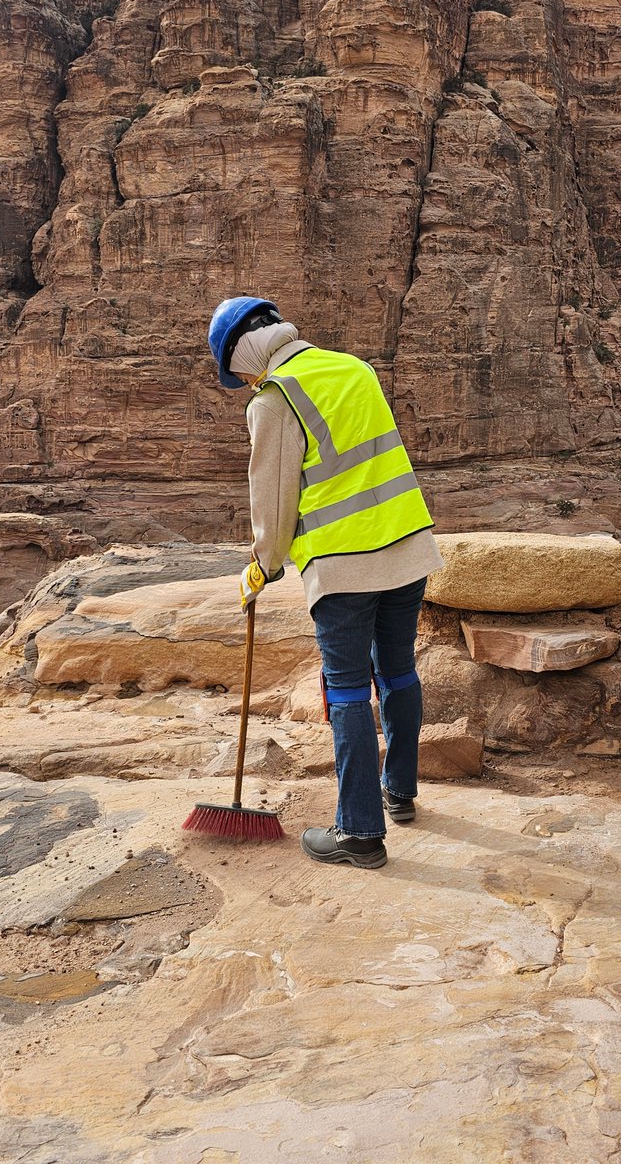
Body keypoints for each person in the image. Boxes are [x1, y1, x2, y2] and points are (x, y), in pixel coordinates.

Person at [208, 295, 443, 869]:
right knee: (398, 670)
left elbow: (273, 499)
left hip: (344, 566)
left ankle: (359, 834)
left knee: (347, 691)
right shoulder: (353, 368)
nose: (246, 382)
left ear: (244, 353)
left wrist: (263, 565)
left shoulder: (275, 398)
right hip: (408, 544)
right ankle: (399, 792)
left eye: (241, 374)